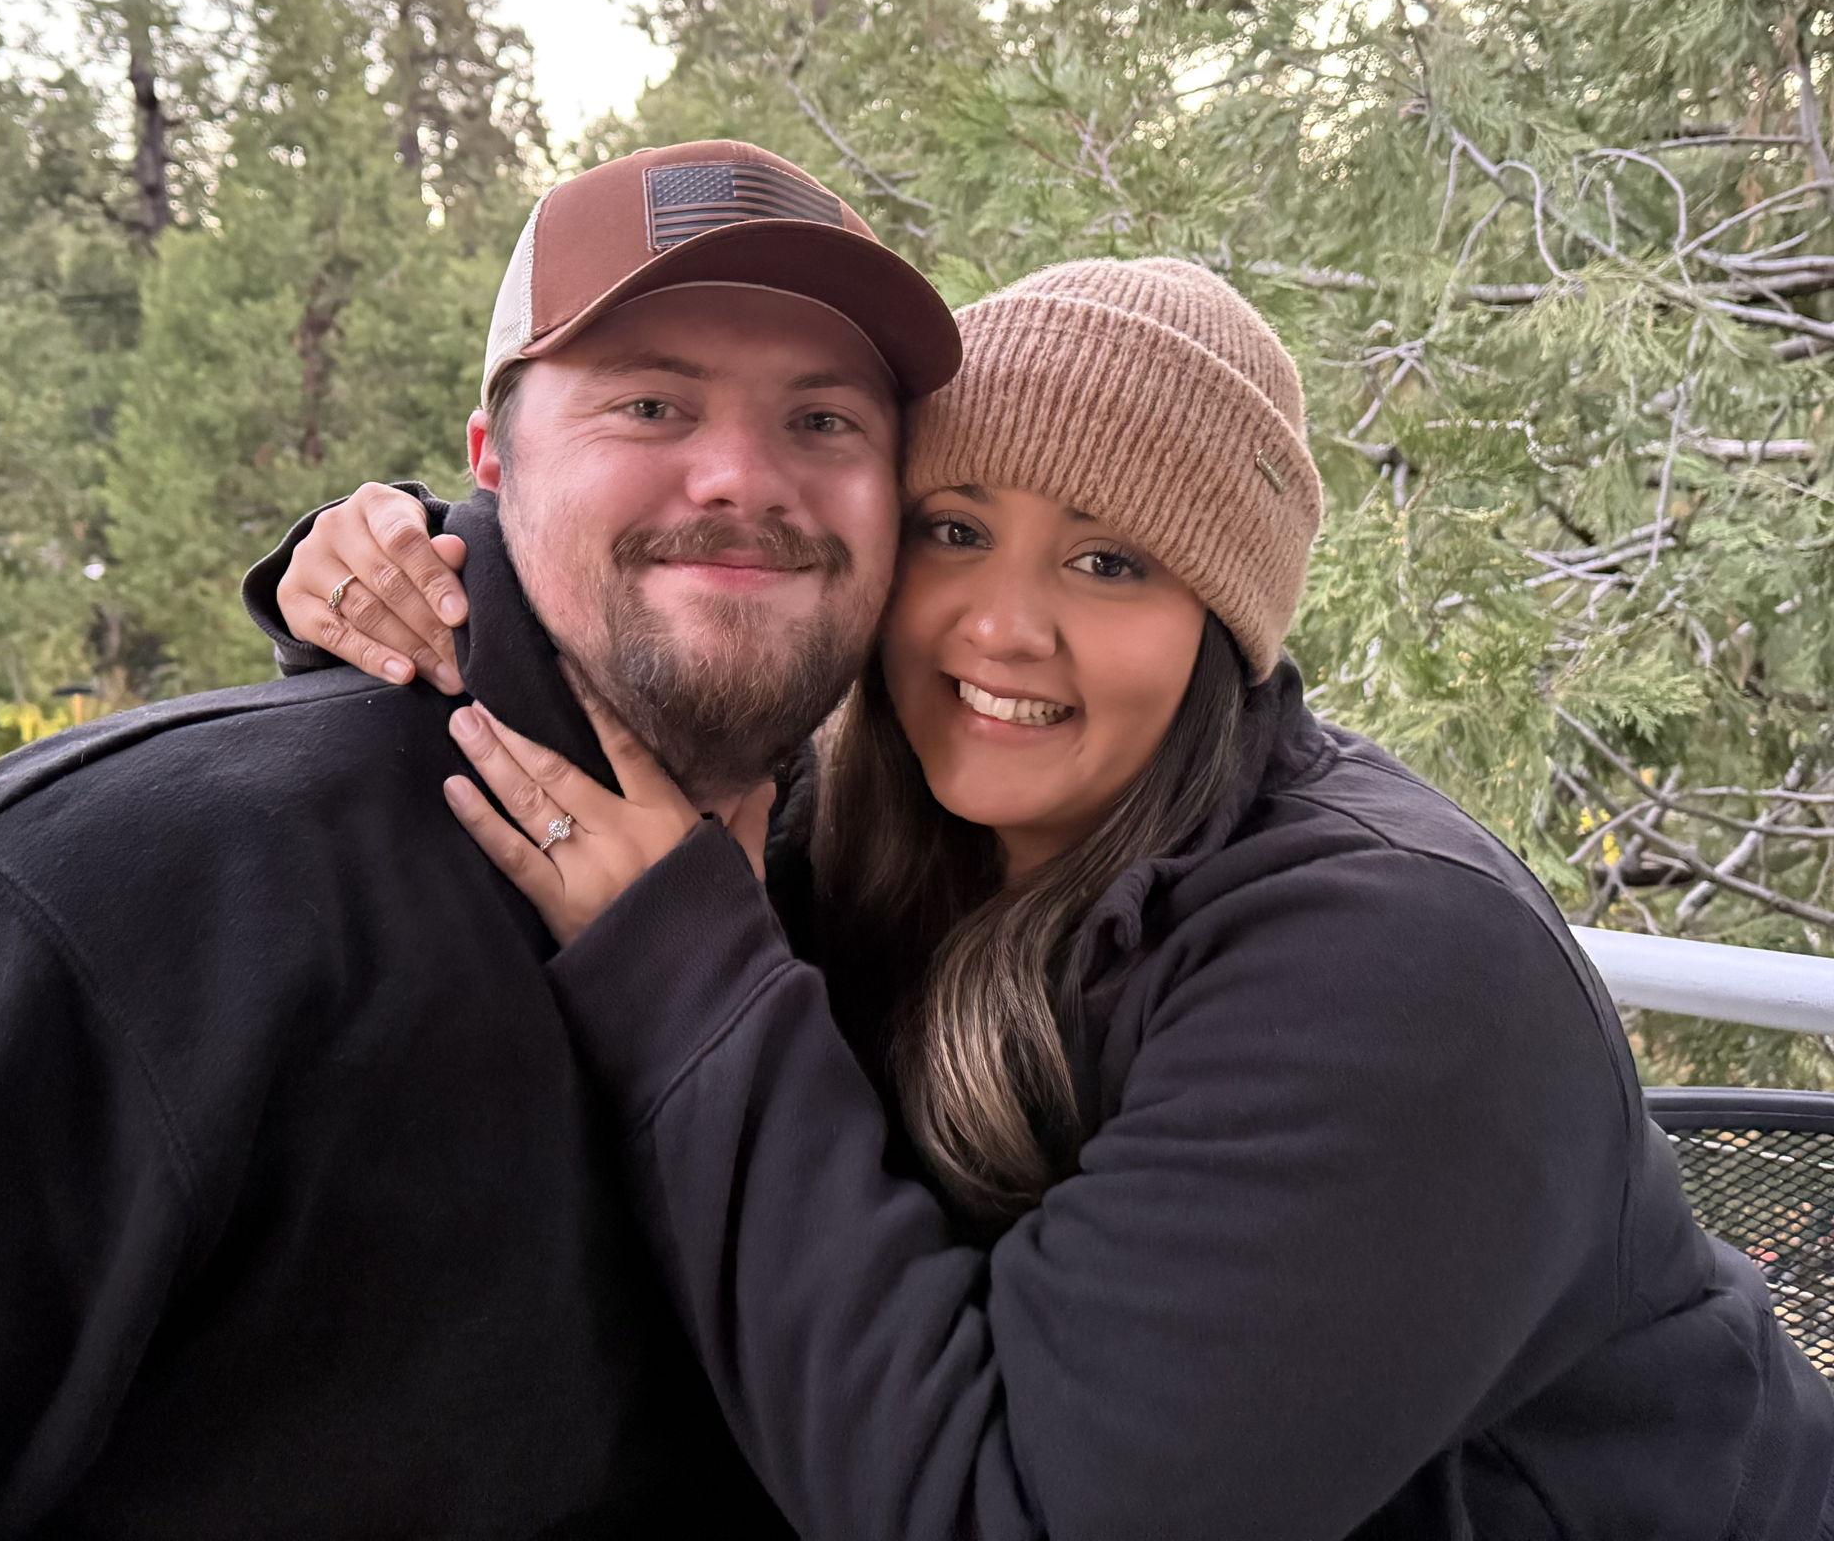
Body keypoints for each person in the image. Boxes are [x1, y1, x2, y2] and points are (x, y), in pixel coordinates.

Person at [265, 257, 1834, 1541]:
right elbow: (614, 684)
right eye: (954, 532)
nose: (1000, 629)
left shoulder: (1397, 966)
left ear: (1223, 624)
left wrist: (687, 972)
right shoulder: (883, 819)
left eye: (1109, 565)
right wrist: (409, 579)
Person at [0, 139, 959, 1538]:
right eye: (652, 404)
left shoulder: (903, 904)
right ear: (493, 457)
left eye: (824, 421)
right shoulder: (121, 895)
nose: (742, 479)